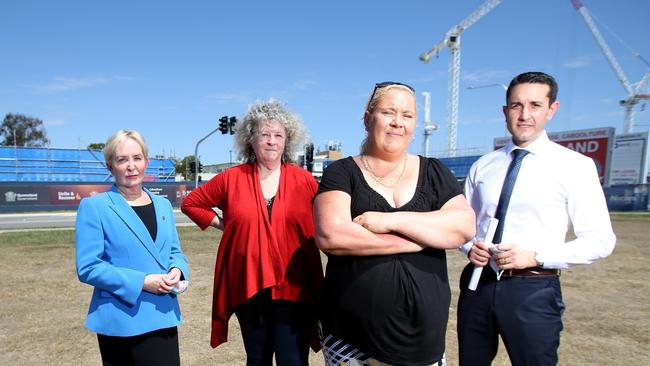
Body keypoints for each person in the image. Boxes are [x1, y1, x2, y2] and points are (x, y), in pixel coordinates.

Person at [457, 71, 616, 365]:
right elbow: (463, 225)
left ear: (551, 110)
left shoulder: (575, 166)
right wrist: (470, 247)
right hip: (478, 285)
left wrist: (535, 256)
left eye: (535, 105)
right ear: (505, 111)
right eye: (516, 106)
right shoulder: (484, 166)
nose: (524, 114)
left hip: (533, 289)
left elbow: (601, 240)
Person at [313, 81, 476, 366]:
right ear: (367, 119)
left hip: (424, 338)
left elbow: (463, 226)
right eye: (389, 112)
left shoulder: (434, 171)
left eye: (407, 115)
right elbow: (332, 234)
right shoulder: (342, 172)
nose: (397, 123)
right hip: (352, 337)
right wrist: (421, 237)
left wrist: (389, 221)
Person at [180, 100, 323, 366]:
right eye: (264, 134)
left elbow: (326, 217)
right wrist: (224, 224)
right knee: (257, 360)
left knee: (294, 360)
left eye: (278, 135)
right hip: (251, 287)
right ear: (251, 139)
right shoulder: (231, 178)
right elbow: (191, 204)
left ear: (287, 141)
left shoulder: (303, 180)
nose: (271, 141)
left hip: (294, 288)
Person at [76, 130, 189, 366]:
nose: (131, 166)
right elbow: (88, 267)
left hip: (164, 315)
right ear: (110, 166)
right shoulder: (94, 207)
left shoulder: (163, 205)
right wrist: (143, 282)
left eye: (137, 158)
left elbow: (174, 251)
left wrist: (178, 270)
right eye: (122, 159)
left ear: (146, 162)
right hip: (123, 320)